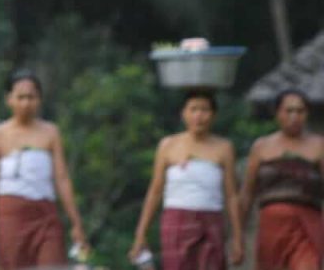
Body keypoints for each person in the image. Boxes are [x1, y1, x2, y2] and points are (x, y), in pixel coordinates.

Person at [0, 70, 88, 269]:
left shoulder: (50, 133)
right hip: (9, 216)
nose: (25, 103)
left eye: (31, 97)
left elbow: (61, 179)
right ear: (9, 99)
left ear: (39, 99)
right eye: (20, 97)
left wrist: (76, 223)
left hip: (44, 214)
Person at [129, 89, 243, 270]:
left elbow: (232, 196)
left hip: (211, 220)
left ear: (213, 115)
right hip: (177, 220)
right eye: (193, 109)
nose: (198, 116)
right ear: (184, 114)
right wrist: (141, 234)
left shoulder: (224, 148)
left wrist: (238, 237)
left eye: (204, 110)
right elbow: (155, 191)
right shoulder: (168, 145)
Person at [239, 88, 324, 270]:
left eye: (300, 111)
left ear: (307, 114)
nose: (294, 116)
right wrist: (239, 235)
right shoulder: (261, 147)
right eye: (289, 111)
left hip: (308, 223)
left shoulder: (319, 146)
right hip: (272, 225)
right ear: (278, 113)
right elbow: (247, 193)